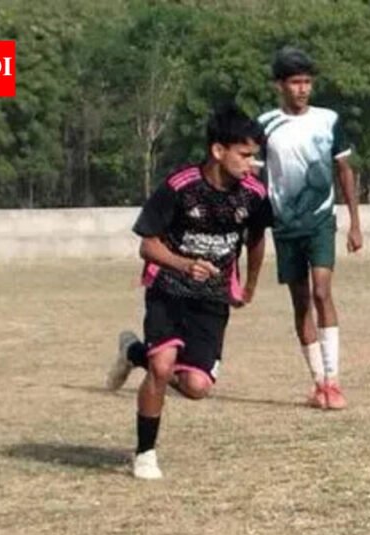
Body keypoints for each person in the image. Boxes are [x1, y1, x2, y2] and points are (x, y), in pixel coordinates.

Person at [105, 103, 271, 480]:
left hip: (212, 296)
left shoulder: (254, 194)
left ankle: (133, 352)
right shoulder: (180, 187)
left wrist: (249, 286)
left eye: (254, 156)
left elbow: (257, 238)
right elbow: (147, 245)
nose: (251, 164)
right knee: (162, 366)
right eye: (245, 155)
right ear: (218, 150)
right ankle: (145, 453)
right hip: (168, 287)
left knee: (196, 387)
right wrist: (183, 264)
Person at [259, 47, 362, 410]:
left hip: (320, 221)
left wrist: (354, 223)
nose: (302, 88)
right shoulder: (265, 125)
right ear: (279, 85)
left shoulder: (328, 120)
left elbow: (344, 170)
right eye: (295, 82)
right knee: (301, 301)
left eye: (307, 82)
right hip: (285, 225)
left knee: (322, 291)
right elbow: (255, 179)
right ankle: (318, 382)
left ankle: (334, 380)